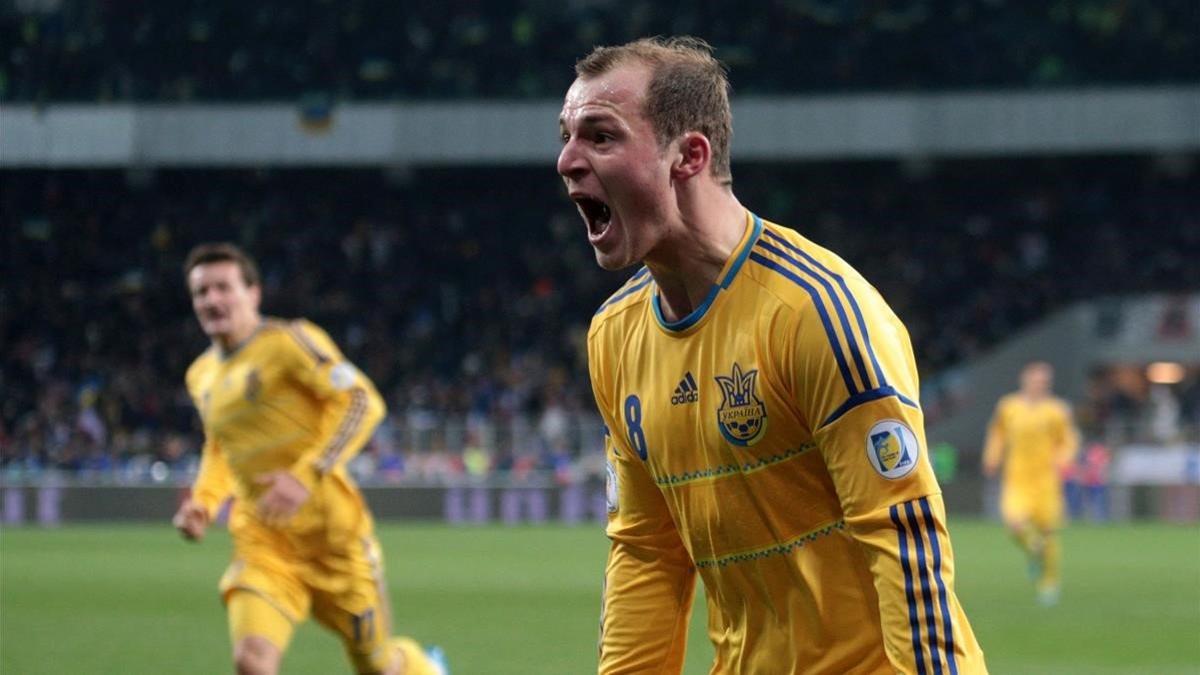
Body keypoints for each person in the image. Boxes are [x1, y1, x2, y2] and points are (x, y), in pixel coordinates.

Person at [558, 37, 986, 673]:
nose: (566, 161)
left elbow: (904, 537)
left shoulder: (815, 312)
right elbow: (647, 553)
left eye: (600, 136)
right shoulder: (614, 336)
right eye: (566, 135)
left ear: (689, 156)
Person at [171, 243, 446, 675]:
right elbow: (220, 446)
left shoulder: (288, 342)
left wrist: (306, 474)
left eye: (223, 287)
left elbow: (361, 400)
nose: (212, 300)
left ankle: (427, 667)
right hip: (264, 542)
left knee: (377, 665)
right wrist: (204, 503)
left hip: (334, 541)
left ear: (253, 294)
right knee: (252, 662)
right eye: (201, 292)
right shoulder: (200, 375)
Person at [983, 361, 1079, 606]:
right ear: (1025, 381)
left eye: (1044, 381)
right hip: (1017, 478)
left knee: (1048, 533)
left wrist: (1063, 460)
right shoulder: (1009, 407)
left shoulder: (1056, 410)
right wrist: (992, 457)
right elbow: (997, 433)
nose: (1039, 385)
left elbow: (1068, 440)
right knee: (1014, 524)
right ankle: (1033, 550)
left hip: (1046, 480)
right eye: (1035, 380)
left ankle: (1049, 584)